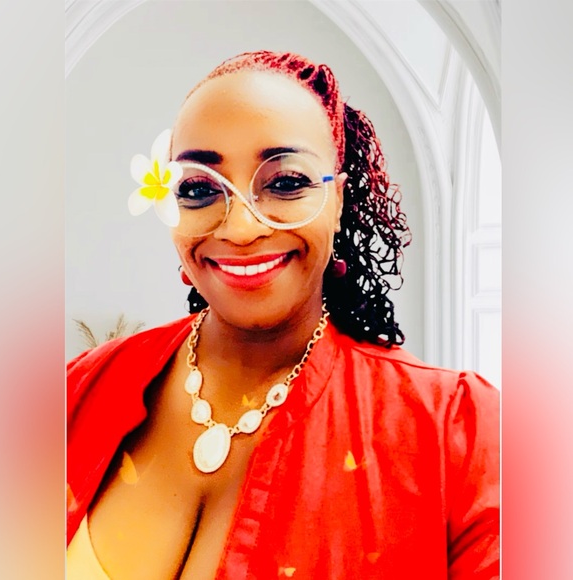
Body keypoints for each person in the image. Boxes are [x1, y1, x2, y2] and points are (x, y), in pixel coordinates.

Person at [67, 51, 499, 579]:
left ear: (338, 201)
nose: (241, 228)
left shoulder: (460, 436)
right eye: (200, 189)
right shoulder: (72, 393)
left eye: (286, 182)